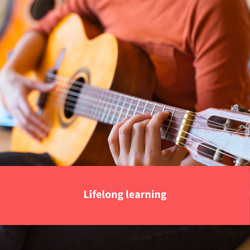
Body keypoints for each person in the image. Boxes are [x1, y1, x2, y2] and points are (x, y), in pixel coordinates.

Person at [0, 0, 250, 249]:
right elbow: (46, 27)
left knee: (37, 233)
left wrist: (152, 190)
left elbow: (221, 158)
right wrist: (10, 73)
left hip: (201, 196)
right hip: (98, 163)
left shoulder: (215, 8)